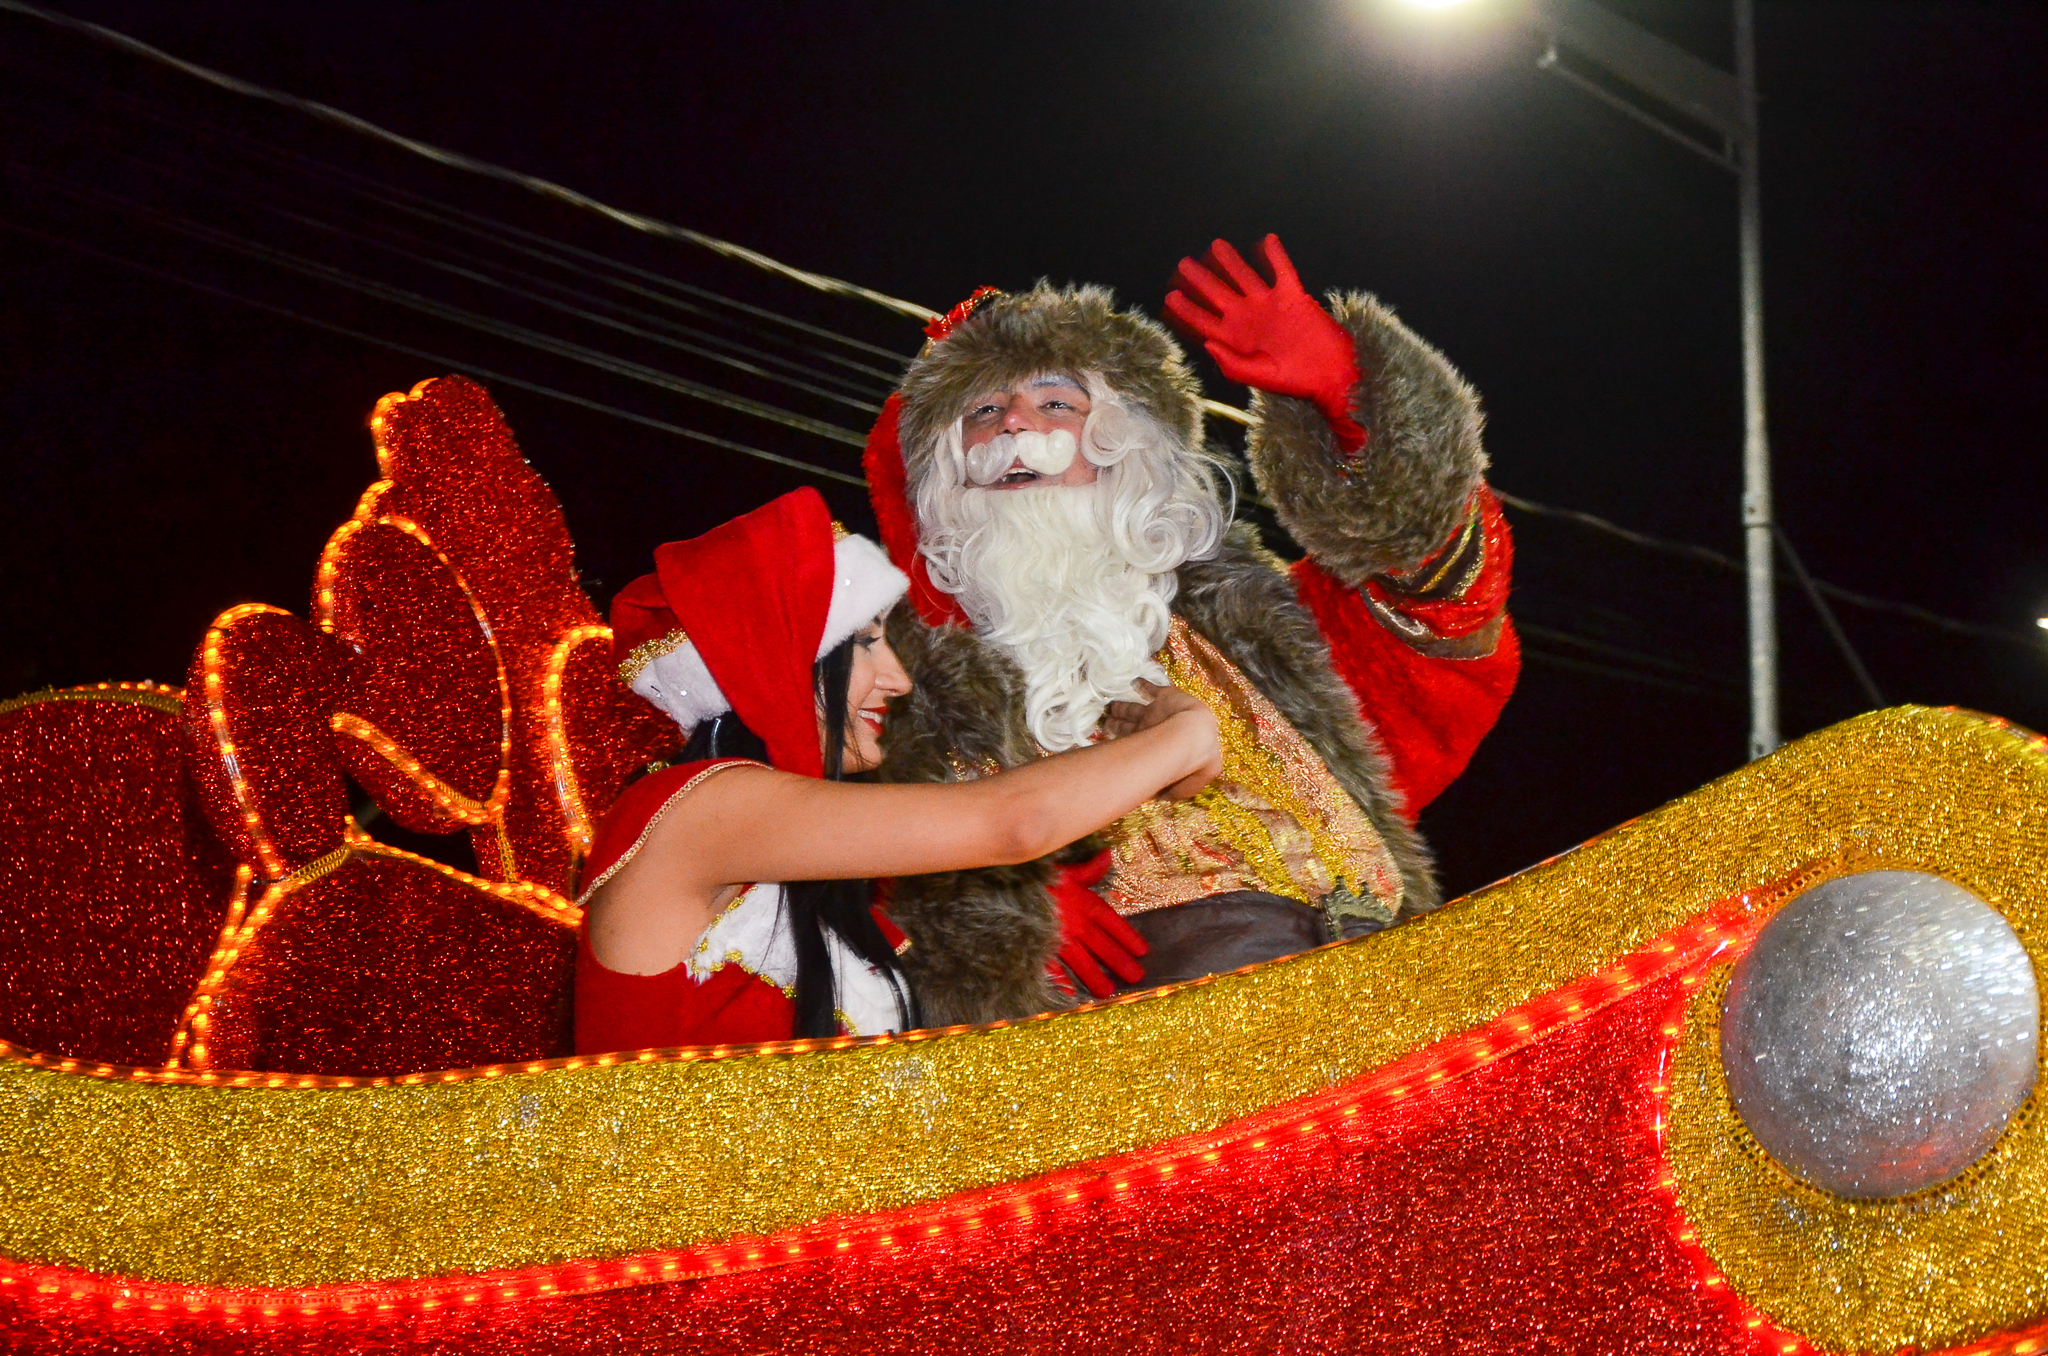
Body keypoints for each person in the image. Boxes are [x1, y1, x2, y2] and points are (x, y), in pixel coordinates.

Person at [861, 235, 1521, 1024]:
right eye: (983, 412)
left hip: (1386, 1007)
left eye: (1056, 403)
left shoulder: (1266, 633)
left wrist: (1352, 398)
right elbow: (795, 869)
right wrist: (982, 903)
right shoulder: (882, 683)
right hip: (1147, 1080)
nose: (1016, 429)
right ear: (941, 477)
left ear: (1122, 448)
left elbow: (1439, 610)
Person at [574, 487, 1220, 1051]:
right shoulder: (693, 808)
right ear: (773, 653)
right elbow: (1018, 820)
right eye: (866, 641)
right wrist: (1191, 733)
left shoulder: (795, 868)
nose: (898, 677)